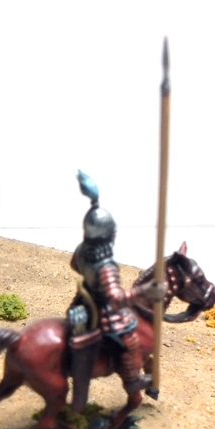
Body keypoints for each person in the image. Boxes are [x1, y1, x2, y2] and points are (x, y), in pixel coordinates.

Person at [67, 171, 150, 414]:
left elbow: (74, 265)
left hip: (82, 302)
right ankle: (133, 379)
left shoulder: (82, 250)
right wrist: (145, 291)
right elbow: (115, 298)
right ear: (109, 235)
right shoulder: (106, 266)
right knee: (129, 338)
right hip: (103, 309)